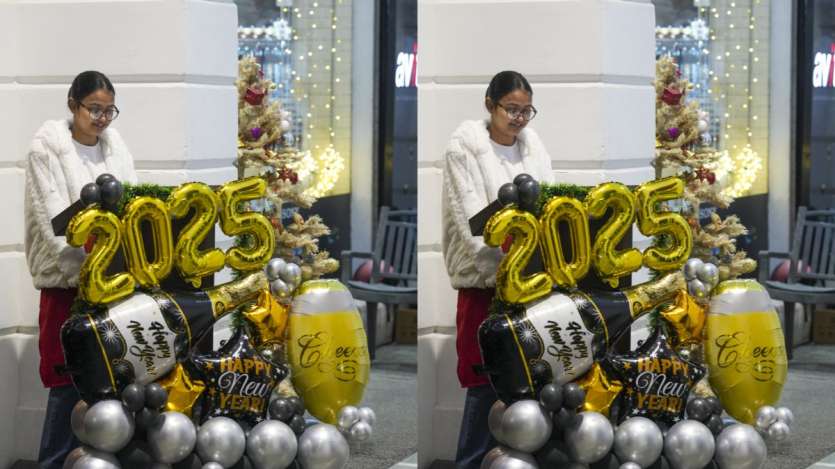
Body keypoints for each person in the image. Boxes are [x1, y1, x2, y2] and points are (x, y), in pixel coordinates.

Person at [24, 71, 137, 468]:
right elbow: (50, 220)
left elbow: (132, 206)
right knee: (65, 379)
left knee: (112, 379)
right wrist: (84, 269)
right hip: (66, 284)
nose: (102, 118)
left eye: (109, 110)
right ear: (73, 104)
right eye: (94, 109)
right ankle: (53, 462)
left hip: (111, 284)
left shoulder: (115, 148)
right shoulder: (47, 149)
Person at [441, 71, 554, 468]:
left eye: (526, 111)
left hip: (530, 285)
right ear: (490, 104)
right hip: (485, 284)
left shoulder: (533, 148)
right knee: (482, 381)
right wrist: (501, 272)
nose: (519, 118)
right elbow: (469, 220)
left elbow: (550, 206)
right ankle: (470, 462)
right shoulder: (464, 148)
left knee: (530, 382)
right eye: (511, 109)